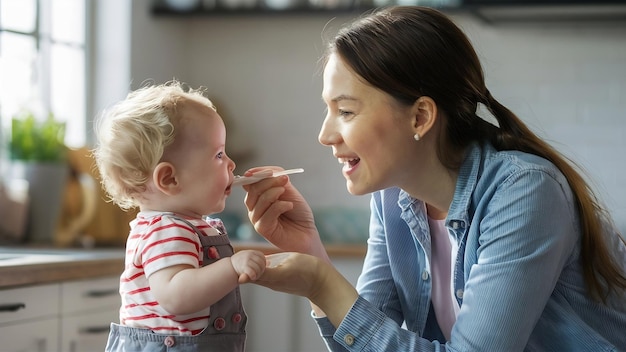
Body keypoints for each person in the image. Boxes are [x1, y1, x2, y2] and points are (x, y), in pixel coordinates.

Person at [241, 6, 626, 351]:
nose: (325, 135)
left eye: (345, 111)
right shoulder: (392, 197)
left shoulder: (524, 192)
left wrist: (323, 284)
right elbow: (362, 344)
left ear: (420, 117)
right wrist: (312, 254)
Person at [94, 80, 266, 352]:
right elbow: (175, 294)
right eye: (219, 154)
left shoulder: (188, 226)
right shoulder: (166, 229)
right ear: (170, 178)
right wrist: (232, 268)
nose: (232, 164)